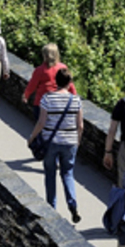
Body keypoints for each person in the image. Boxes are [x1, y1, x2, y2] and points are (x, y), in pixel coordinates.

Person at [27, 68, 83, 223]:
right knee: (68, 173)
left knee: (50, 173)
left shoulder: (47, 98)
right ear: (70, 83)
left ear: (56, 82)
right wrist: (77, 141)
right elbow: (80, 125)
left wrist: (32, 137)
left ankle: (51, 207)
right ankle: (72, 205)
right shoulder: (76, 100)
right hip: (70, 142)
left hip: (51, 142)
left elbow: (41, 122)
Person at [22, 43, 76, 119]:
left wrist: (26, 96)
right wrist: (74, 99)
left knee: (41, 124)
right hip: (58, 104)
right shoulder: (63, 68)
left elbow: (32, 85)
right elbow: (70, 85)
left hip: (41, 104)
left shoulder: (40, 70)